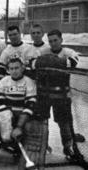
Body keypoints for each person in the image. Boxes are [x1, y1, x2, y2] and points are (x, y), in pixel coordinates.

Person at [35, 29, 85, 162]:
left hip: (61, 95)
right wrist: (55, 61)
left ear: (61, 40)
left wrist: (47, 61)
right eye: (50, 41)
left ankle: (68, 148)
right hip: (44, 94)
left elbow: (71, 63)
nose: (53, 43)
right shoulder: (43, 51)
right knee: (42, 122)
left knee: (64, 123)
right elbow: (33, 63)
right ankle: (42, 146)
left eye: (55, 40)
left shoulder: (69, 52)